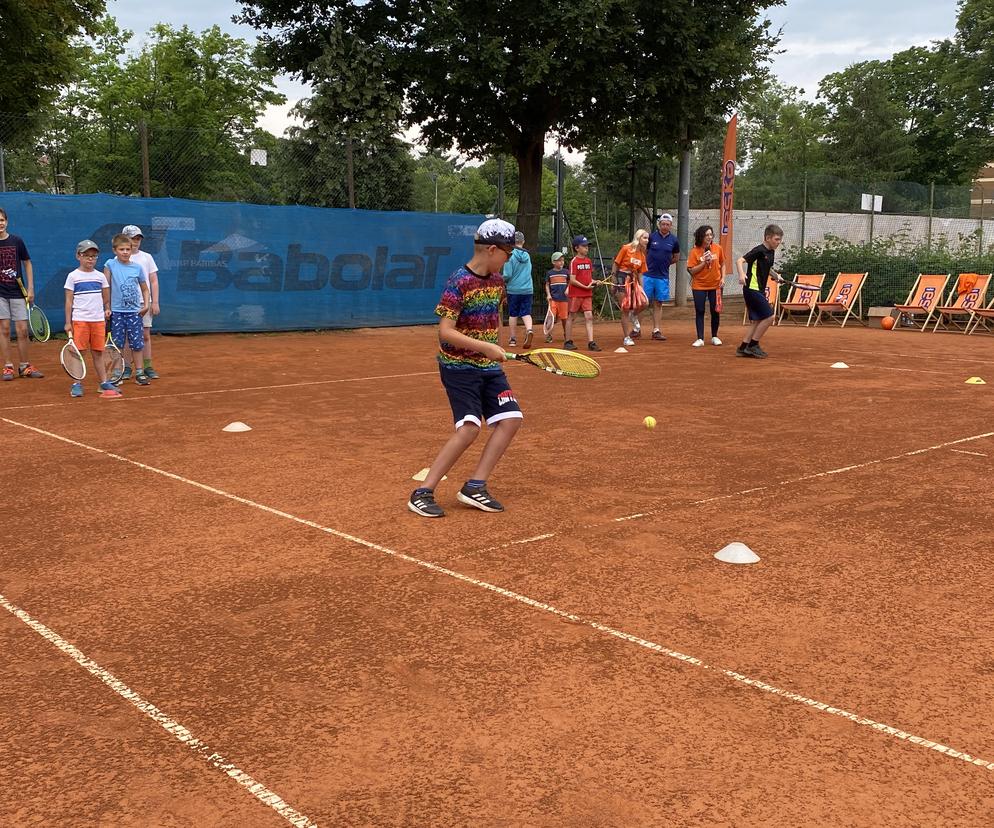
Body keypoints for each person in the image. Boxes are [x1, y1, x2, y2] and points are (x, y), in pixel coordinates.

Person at [408, 218, 523, 518]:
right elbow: (445, 331)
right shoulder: (459, 281)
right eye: (507, 254)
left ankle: (475, 486)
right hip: (458, 366)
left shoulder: (498, 282)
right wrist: (484, 347)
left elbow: (491, 321)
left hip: (488, 367)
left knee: (510, 419)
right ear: (492, 250)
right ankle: (423, 491)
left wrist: (492, 347)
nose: (509, 260)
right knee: (470, 427)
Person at [63, 240, 122, 399]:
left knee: (98, 352)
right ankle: (76, 383)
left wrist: (106, 308)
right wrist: (68, 322)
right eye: (86, 256)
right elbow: (68, 301)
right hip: (80, 320)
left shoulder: (100, 276)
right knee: (79, 353)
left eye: (94, 256)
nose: (90, 259)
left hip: (98, 321)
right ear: (78, 256)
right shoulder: (73, 276)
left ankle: (103, 382)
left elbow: (105, 296)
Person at [0, 207, 44, 381]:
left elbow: (27, 263)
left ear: (6, 221)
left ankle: (24, 366)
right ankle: (8, 366)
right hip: (0, 294)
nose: (0, 223)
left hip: (18, 292)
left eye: (2, 220)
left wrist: (31, 287)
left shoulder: (17, 241)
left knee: (23, 330)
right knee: (3, 329)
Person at [104, 233, 151, 384]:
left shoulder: (137, 268)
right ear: (114, 250)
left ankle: (139, 372)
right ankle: (117, 373)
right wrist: (107, 307)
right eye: (121, 249)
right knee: (117, 344)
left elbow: (144, 288)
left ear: (131, 250)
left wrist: (146, 305)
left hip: (134, 313)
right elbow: (106, 287)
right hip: (116, 312)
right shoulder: (110, 265)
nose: (125, 252)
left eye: (127, 249)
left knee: (136, 343)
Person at [736, 224, 785, 359]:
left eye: (780, 239)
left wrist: (776, 276)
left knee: (757, 320)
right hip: (752, 288)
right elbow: (740, 260)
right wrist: (741, 275)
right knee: (769, 317)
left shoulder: (771, 252)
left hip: (759, 289)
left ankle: (743, 347)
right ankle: (753, 345)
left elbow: (767, 268)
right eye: (776, 239)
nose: (778, 242)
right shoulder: (759, 250)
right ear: (768, 238)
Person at [122, 225, 161, 379]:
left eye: (138, 238)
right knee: (126, 337)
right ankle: (126, 367)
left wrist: (155, 302)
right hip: (126, 304)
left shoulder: (147, 257)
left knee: (145, 335)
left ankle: (148, 366)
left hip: (144, 302)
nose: (136, 242)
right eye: (133, 238)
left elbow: (154, 280)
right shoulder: (120, 258)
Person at [643, 213, 681, 340]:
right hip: (647, 275)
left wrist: (665, 263)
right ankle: (636, 328)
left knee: (658, 303)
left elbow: (676, 257)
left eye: (667, 224)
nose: (665, 226)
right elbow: (644, 253)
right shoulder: (651, 237)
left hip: (662, 276)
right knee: (642, 302)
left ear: (671, 226)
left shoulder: (674, 240)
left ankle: (656, 330)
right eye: (663, 224)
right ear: (659, 225)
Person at [687, 224, 725, 347]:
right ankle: (700, 338)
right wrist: (704, 263)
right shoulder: (694, 251)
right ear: (701, 237)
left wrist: (723, 278)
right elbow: (691, 270)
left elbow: (723, 264)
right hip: (699, 286)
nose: (709, 237)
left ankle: (715, 336)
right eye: (706, 235)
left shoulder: (718, 248)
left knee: (715, 311)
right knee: (700, 310)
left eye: (711, 234)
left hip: (715, 285)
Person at [611, 229, 649, 347]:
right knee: (625, 308)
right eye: (644, 238)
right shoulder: (626, 248)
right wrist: (614, 281)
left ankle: (634, 315)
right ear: (638, 238)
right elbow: (616, 264)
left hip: (633, 280)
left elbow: (641, 273)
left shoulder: (642, 255)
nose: (647, 241)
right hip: (622, 277)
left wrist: (642, 288)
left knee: (645, 302)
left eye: (647, 238)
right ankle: (626, 337)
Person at [563, 235, 601, 352]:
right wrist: (585, 286)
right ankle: (568, 341)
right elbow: (572, 280)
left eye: (587, 246)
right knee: (572, 316)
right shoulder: (574, 262)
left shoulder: (588, 261)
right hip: (576, 294)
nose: (586, 248)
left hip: (587, 294)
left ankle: (591, 342)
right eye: (583, 246)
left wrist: (595, 282)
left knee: (589, 316)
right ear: (576, 248)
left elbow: (588, 278)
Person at [502, 230, 534, 348]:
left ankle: (513, 339)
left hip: (514, 290)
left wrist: (501, 279)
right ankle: (529, 329)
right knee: (526, 312)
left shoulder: (510, 255)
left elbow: (507, 274)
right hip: (527, 289)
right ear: (523, 242)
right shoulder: (527, 255)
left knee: (513, 314)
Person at [544, 251, 569, 343]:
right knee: (551, 317)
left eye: (562, 260)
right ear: (553, 262)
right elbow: (547, 285)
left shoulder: (566, 272)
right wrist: (548, 295)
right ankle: (549, 334)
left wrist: (568, 289)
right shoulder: (550, 273)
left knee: (564, 318)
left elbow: (570, 282)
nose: (561, 262)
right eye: (559, 260)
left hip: (564, 300)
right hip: (553, 299)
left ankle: (567, 334)